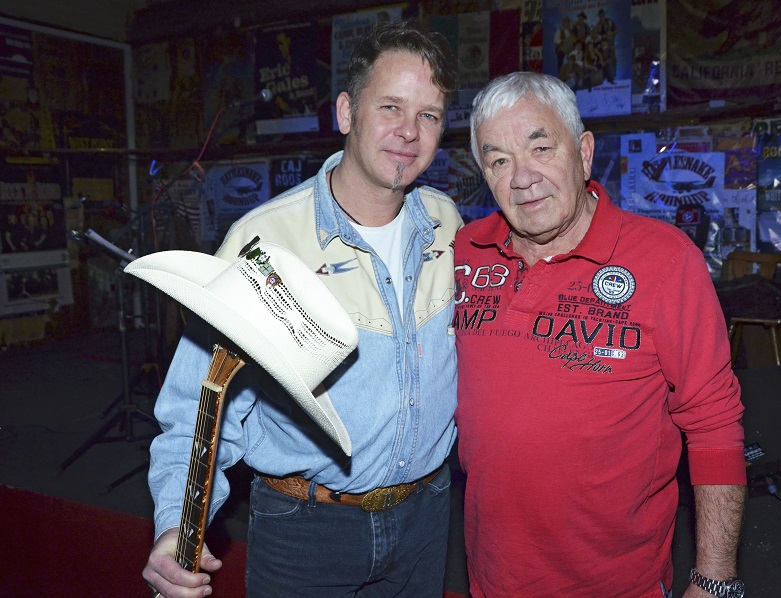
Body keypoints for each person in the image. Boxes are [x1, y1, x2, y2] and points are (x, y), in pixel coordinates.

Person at [143, 20, 461, 597]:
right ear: (346, 112)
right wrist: (176, 526)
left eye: (429, 115)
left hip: (427, 517)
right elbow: (197, 408)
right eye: (390, 107)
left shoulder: (448, 223)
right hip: (307, 530)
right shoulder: (264, 242)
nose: (409, 132)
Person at [453, 72, 747, 598]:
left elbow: (715, 424)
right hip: (492, 580)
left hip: (618, 585)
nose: (523, 177)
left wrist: (715, 579)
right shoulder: (463, 254)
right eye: (498, 161)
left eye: (541, 148)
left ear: (584, 153)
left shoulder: (665, 261)